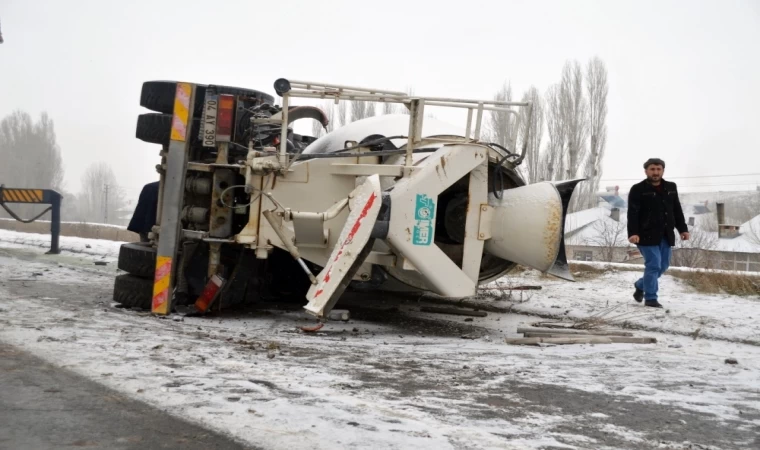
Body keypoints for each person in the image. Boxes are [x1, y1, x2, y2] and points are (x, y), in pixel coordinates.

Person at [627, 158, 689, 308]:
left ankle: (641, 285)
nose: (655, 172)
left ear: (662, 170)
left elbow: (676, 210)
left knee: (663, 266)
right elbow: (633, 213)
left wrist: (683, 229)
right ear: (646, 171)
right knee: (653, 265)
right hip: (645, 234)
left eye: (658, 169)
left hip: (665, 234)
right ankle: (650, 298)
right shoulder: (638, 189)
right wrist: (633, 233)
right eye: (652, 169)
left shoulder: (671, 187)